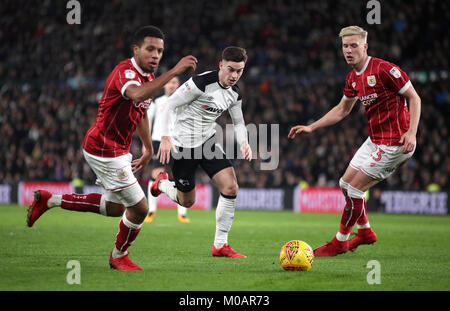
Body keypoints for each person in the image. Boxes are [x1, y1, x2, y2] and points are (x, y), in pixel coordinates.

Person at [26, 25, 198, 270]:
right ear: (136, 49)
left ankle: (49, 200)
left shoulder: (148, 78)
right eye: (150, 49)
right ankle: (119, 256)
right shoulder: (125, 72)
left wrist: (148, 148)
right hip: (104, 150)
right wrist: (174, 72)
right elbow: (137, 96)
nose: (156, 55)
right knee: (140, 208)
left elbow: (141, 112)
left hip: (117, 149)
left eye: (160, 50)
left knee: (115, 208)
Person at [288, 26, 421, 256]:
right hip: (375, 140)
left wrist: (411, 132)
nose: (348, 50)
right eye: (345, 46)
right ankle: (365, 231)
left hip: (395, 143)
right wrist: (312, 127)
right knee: (344, 183)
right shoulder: (352, 78)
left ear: (365, 46)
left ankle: (340, 241)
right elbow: (342, 110)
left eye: (353, 46)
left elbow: (414, 98)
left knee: (354, 190)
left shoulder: (384, 69)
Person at [151, 46, 252, 258]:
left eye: (239, 71)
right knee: (187, 201)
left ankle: (220, 245)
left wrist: (245, 142)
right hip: (183, 146)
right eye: (231, 70)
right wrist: (166, 137)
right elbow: (170, 105)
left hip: (207, 142)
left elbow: (239, 121)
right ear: (221, 65)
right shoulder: (201, 83)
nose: (234, 76)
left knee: (231, 187)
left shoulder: (234, 94)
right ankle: (160, 183)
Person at [144, 76, 190, 223]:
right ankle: (151, 211)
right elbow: (147, 122)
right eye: (169, 82)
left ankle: (182, 214)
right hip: (158, 141)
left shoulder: (184, 102)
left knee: (181, 175)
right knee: (156, 174)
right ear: (164, 85)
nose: (172, 85)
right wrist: (147, 144)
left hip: (177, 142)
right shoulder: (157, 102)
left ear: (179, 85)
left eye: (175, 82)